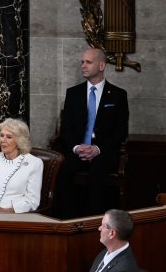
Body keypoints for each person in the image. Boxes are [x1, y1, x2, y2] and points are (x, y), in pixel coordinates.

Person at [53, 48, 129, 218]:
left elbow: (120, 132)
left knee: (98, 172)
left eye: (88, 62)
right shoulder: (73, 93)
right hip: (78, 150)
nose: (83, 66)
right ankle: (67, 220)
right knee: (62, 170)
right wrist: (76, 147)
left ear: (101, 65)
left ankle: (93, 222)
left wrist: (98, 149)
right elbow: (66, 128)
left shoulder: (118, 95)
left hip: (103, 152)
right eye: (82, 62)